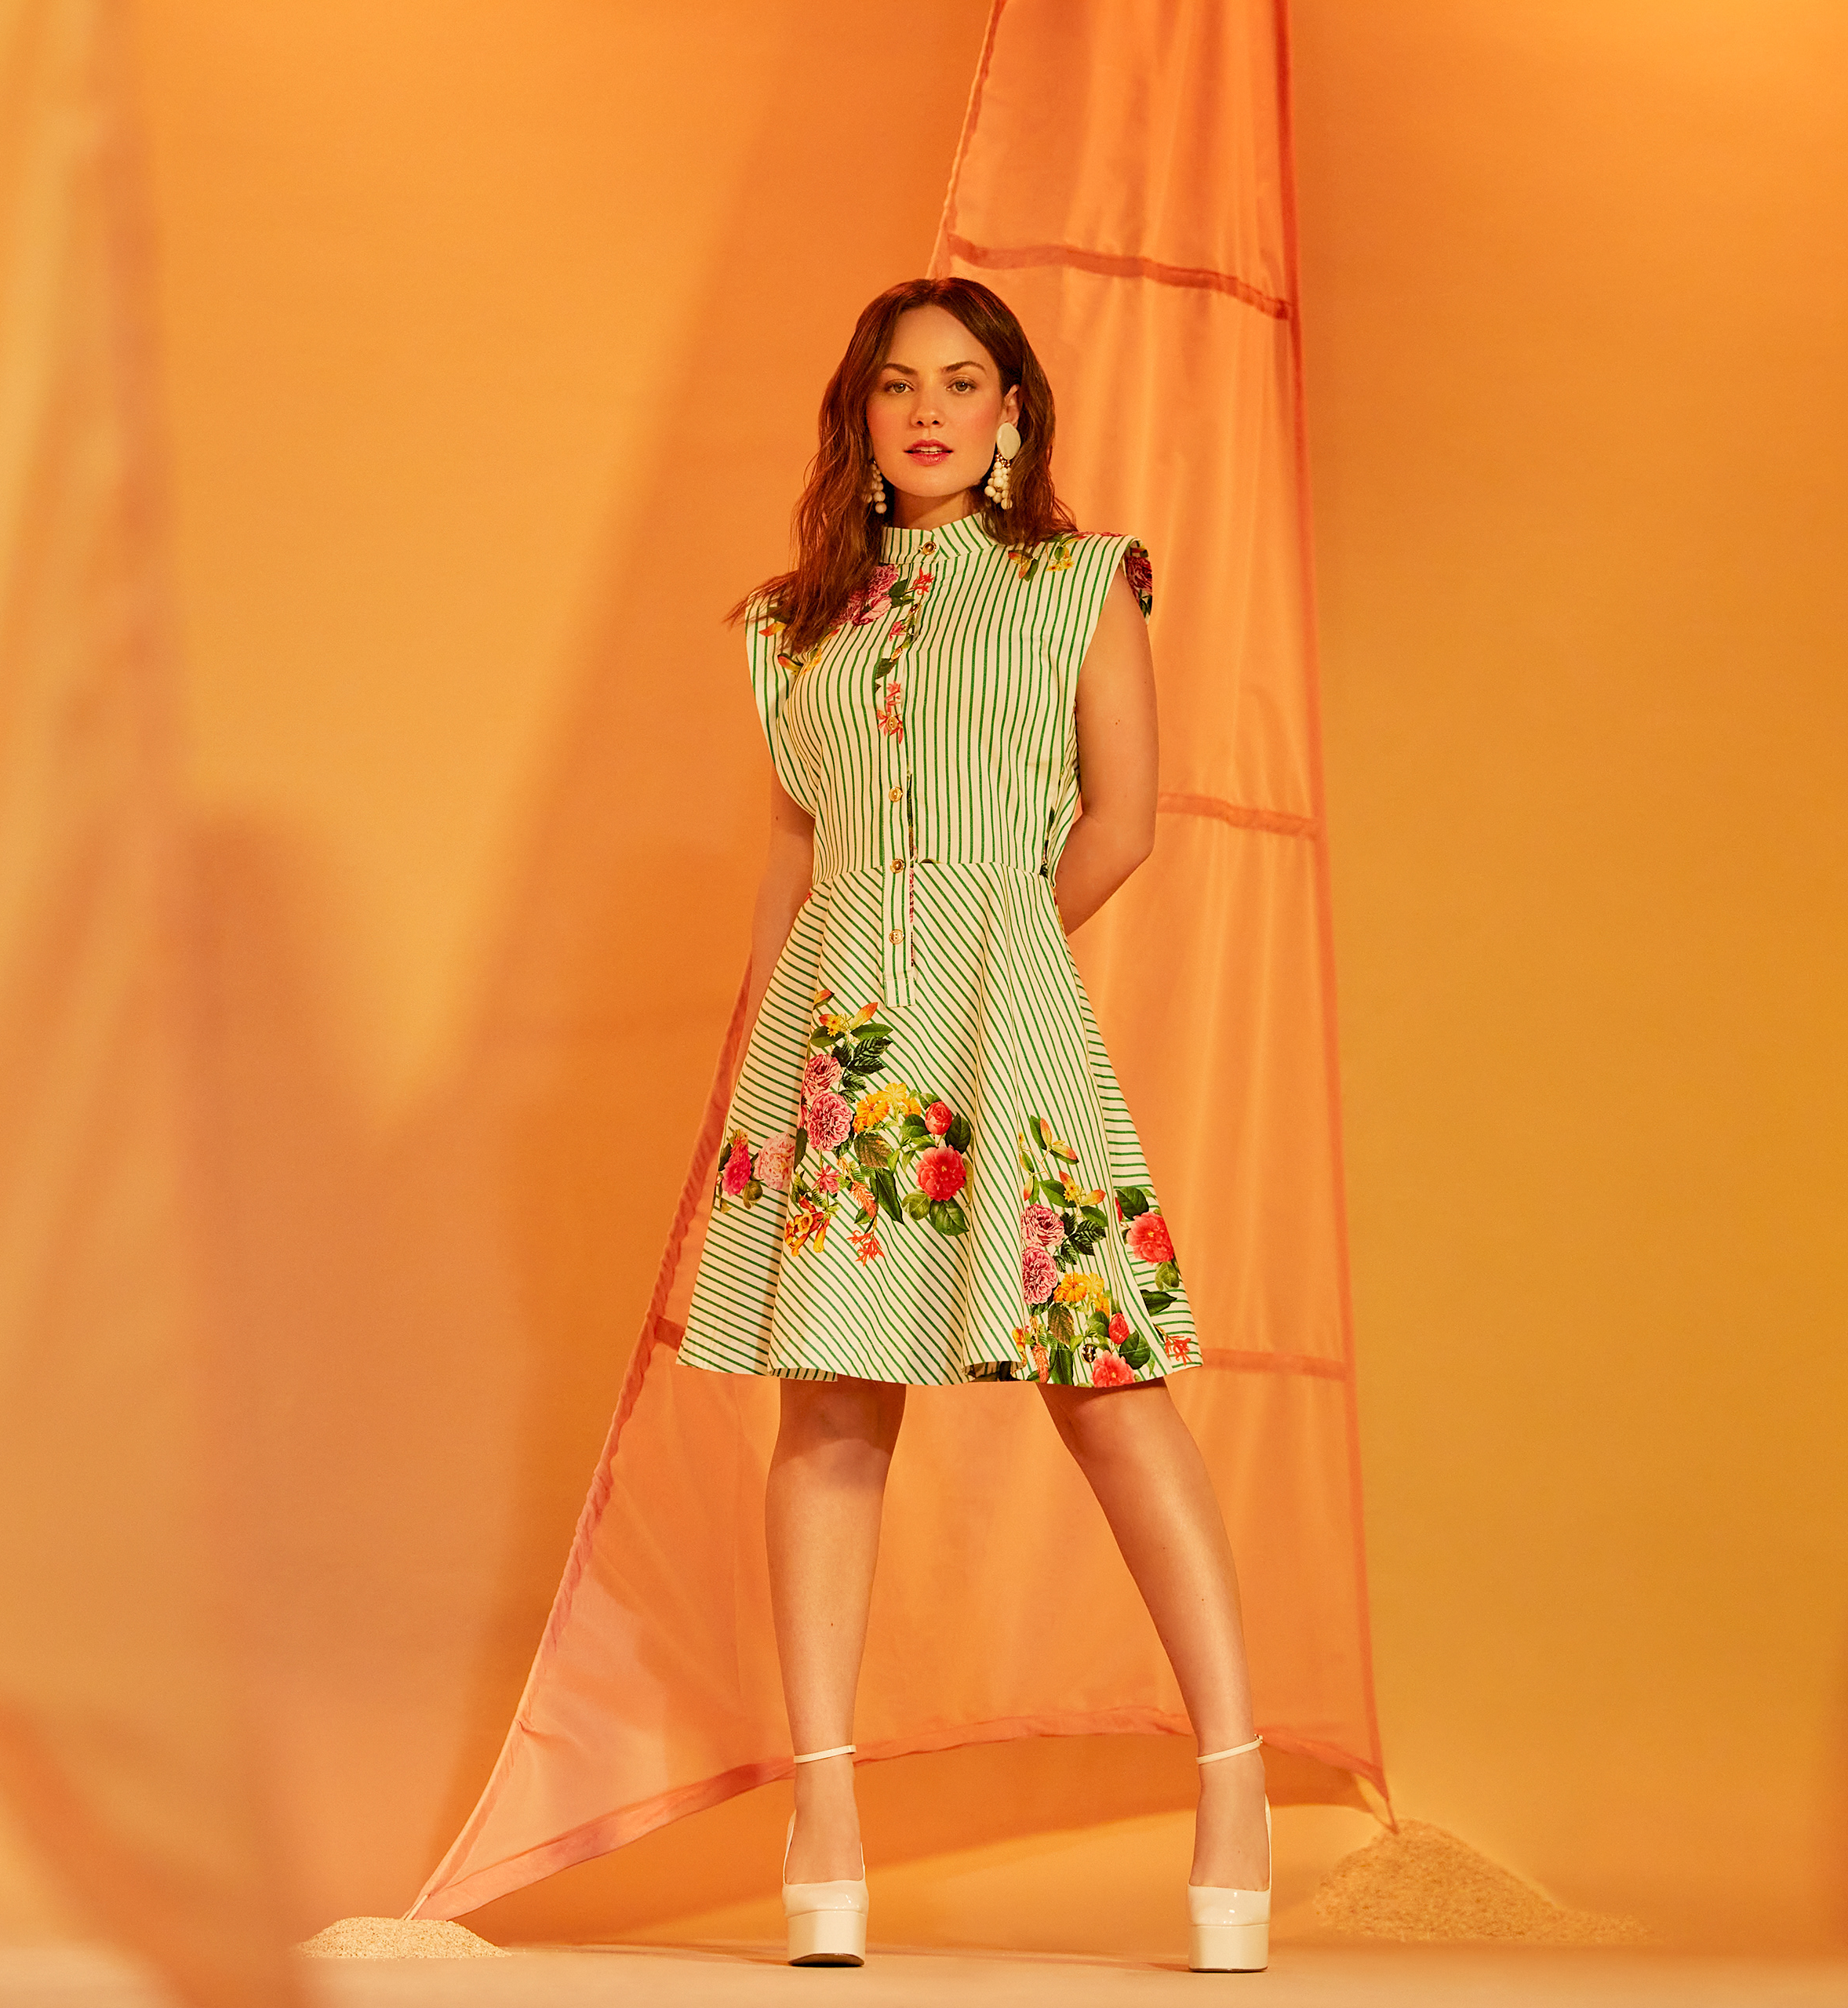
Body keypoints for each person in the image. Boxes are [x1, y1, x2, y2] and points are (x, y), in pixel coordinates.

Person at [677, 277, 1271, 1973]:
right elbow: (793, 863)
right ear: (857, 416)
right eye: (896, 385)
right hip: (837, 1044)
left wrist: (990, 960)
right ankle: (824, 1815)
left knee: (1110, 1387)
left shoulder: (1082, 582)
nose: (928, 411)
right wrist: (761, 1089)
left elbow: (1125, 821)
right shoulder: (790, 627)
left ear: (1014, 410)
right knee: (828, 1408)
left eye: (961, 381)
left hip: (1008, 1017)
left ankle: (1233, 1785)